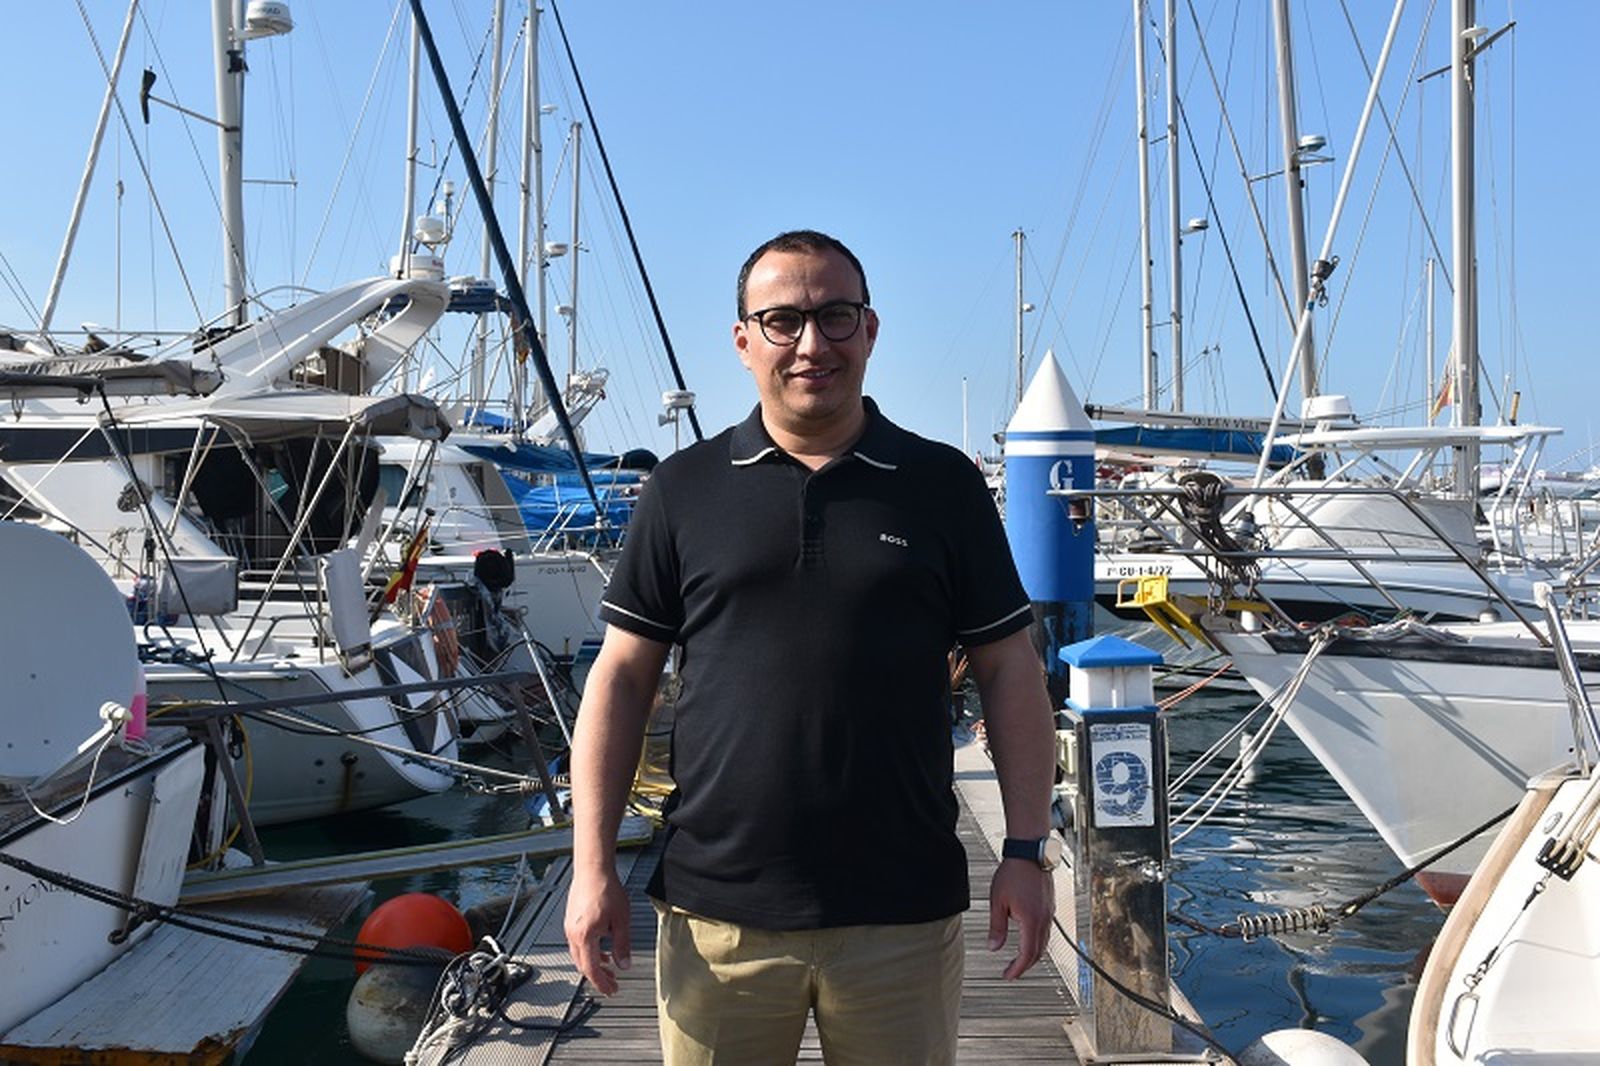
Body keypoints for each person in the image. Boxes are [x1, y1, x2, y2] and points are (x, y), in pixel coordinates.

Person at [564, 229, 1058, 1064]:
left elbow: (1011, 669)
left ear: (869, 330)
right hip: (716, 911)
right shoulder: (683, 488)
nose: (811, 344)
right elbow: (619, 678)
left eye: (835, 317)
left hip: (901, 909)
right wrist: (591, 867)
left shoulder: (944, 485)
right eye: (783, 320)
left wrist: (1024, 851)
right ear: (744, 340)